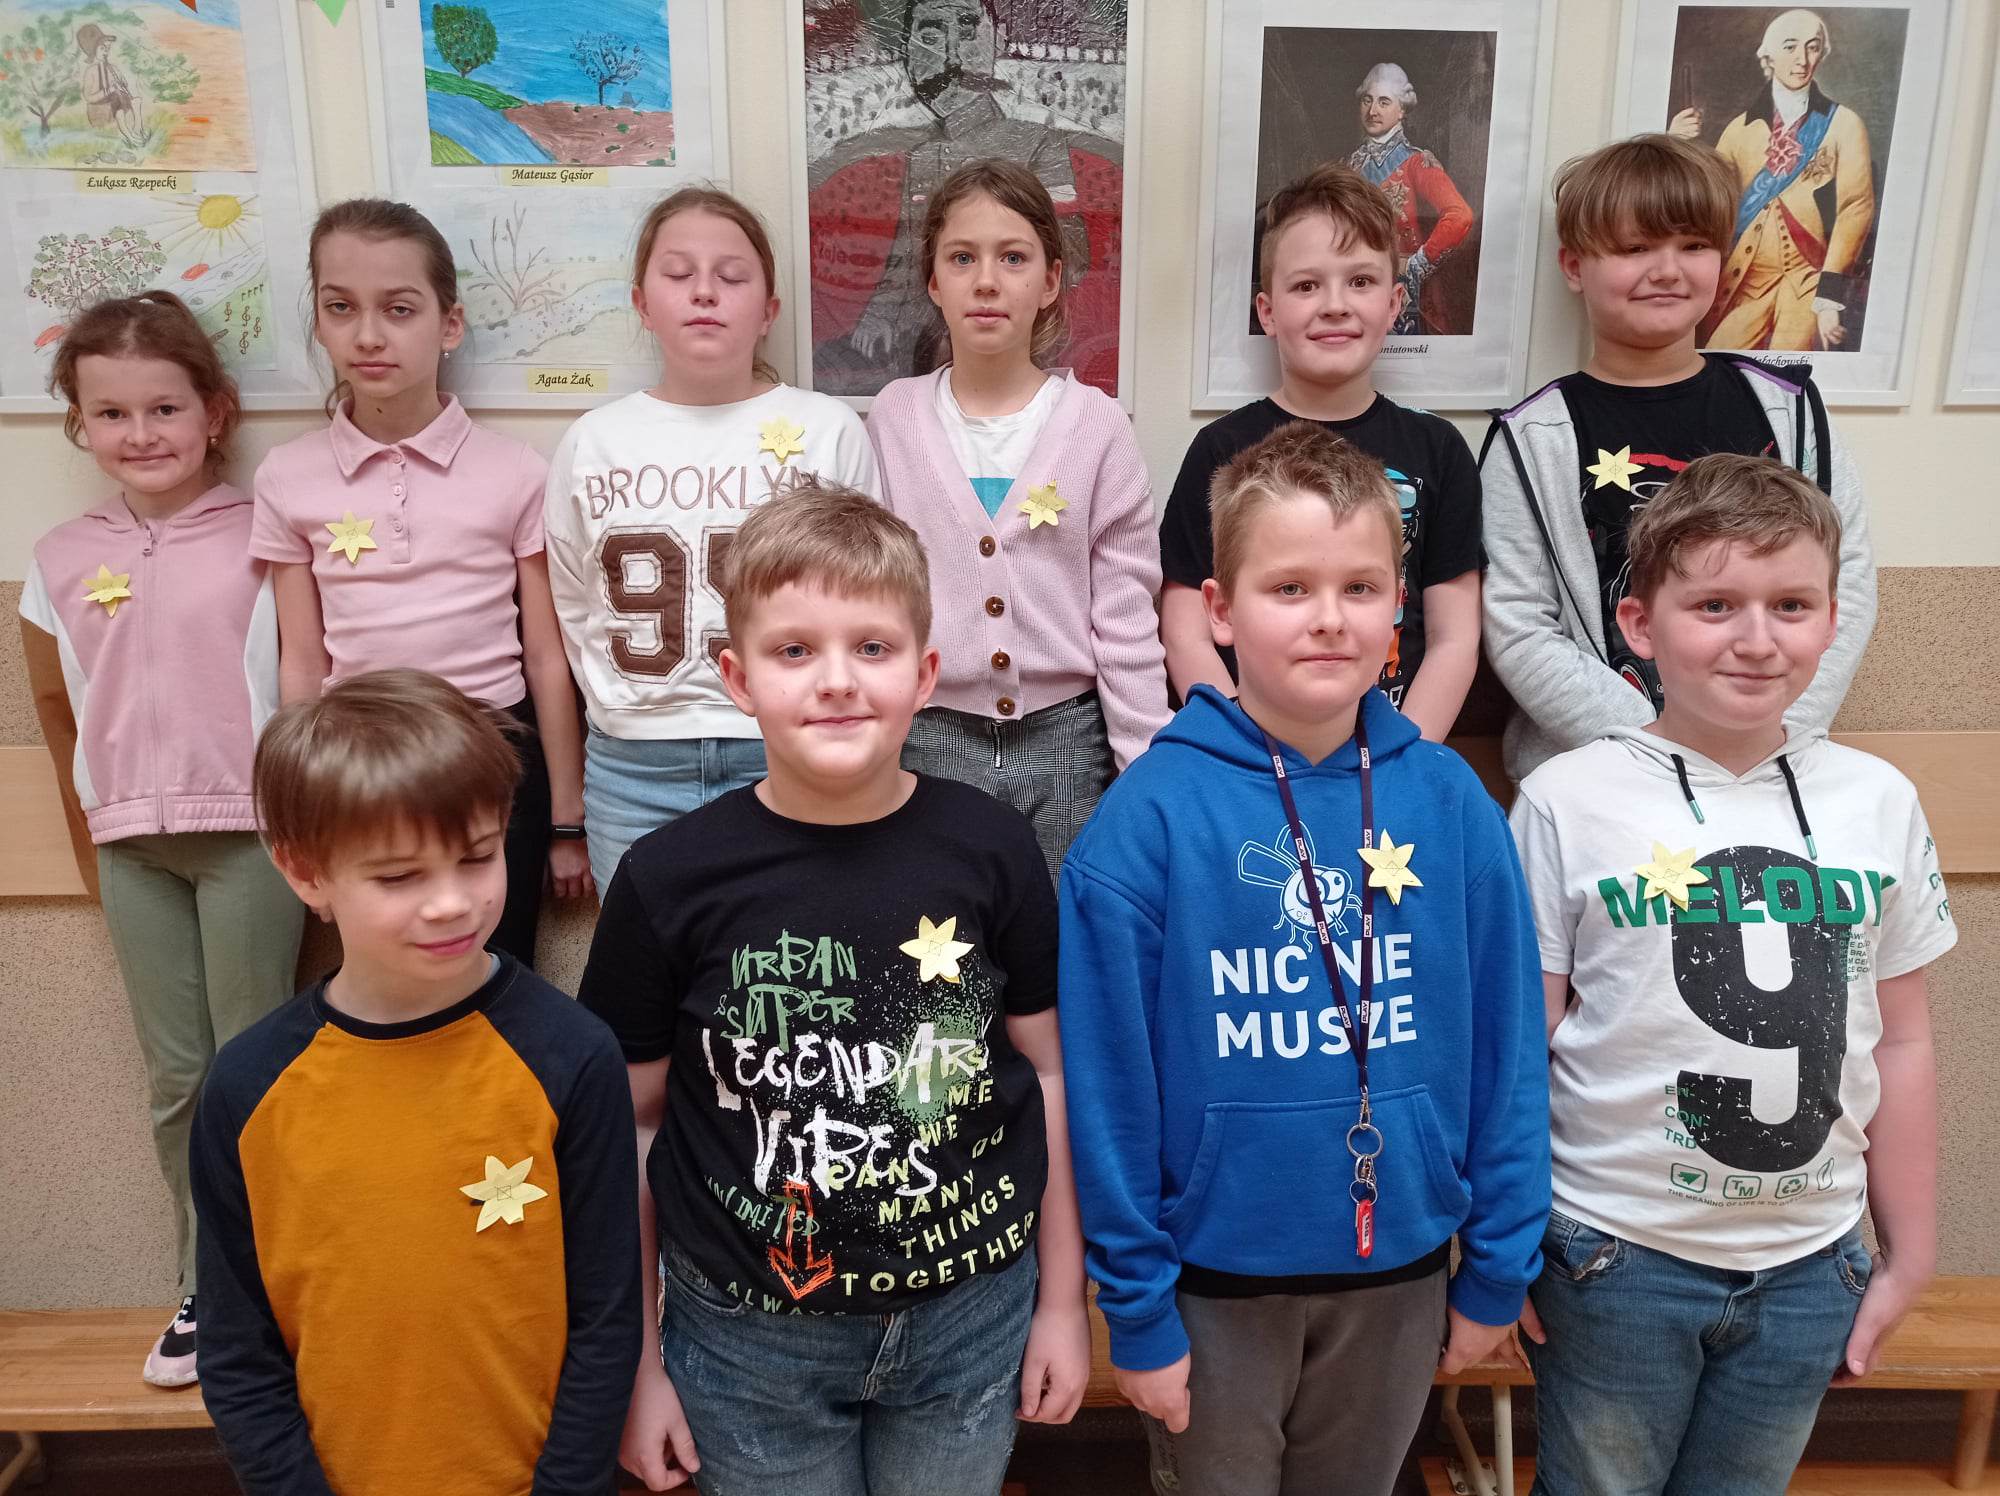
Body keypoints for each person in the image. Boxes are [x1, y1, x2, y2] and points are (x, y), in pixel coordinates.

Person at [1063, 422, 1548, 1496]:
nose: (1329, 616)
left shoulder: (1451, 805)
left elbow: (1509, 1053)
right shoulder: (1146, 819)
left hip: (1402, 1271)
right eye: (1288, 587)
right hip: (1211, 1282)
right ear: (1219, 611)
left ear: (1398, 610)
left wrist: (1497, 1266)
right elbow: (1106, 1093)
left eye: (1359, 587)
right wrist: (1133, 1308)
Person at [581, 484, 1091, 1495]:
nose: (836, 681)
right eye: (793, 650)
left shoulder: (991, 848)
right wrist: (640, 1365)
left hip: (969, 1316)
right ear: (737, 677)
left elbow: (1047, 1073)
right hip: (747, 1338)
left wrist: (1062, 1303)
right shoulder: (667, 878)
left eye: (872, 647)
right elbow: (629, 1127)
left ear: (924, 672)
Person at [1509, 454, 1954, 1496]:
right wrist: (1501, 1243)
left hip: (1813, 1263)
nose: (1756, 639)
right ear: (1638, 624)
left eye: (1789, 605)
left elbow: (1902, 1040)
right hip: (1612, 1256)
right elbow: (1519, 1048)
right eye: (1714, 605)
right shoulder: (1564, 800)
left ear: (1831, 618)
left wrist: (1911, 1250)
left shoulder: (1877, 799)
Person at [190, 669, 639, 1496]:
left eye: (477, 858)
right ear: (306, 873)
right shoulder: (247, 1087)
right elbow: (237, 1349)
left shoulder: (572, 1055)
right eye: (399, 877)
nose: (450, 904)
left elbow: (606, 1319)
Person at [20, 291, 302, 1388]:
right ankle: (204, 1283)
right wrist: (91, 847)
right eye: (111, 413)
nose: (140, 433)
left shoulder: (264, 535)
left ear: (215, 411)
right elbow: (58, 712)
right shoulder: (57, 557)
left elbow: (303, 688)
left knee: (252, 1064)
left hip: (250, 839)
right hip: (130, 846)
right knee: (176, 1077)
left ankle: (276, 1280)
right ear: (80, 425)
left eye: (164, 408)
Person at [250, 199, 588, 965]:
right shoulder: (287, 476)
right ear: (319, 322)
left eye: (399, 309)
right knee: (389, 968)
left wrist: (566, 817)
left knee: (499, 968)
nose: (369, 335)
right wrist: (299, 805)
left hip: (496, 753)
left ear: (449, 324)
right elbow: (301, 661)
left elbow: (547, 659)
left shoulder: (516, 471)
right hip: (357, 759)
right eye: (341, 307)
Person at [1480, 133, 1876, 784]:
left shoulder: (1790, 411)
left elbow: (1845, 583)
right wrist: (1663, 750)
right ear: (1575, 267)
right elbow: (1519, 626)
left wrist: (1770, 734)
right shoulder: (1533, 437)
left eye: (1693, 245)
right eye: (1635, 248)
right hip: (1600, 778)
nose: (1667, 270)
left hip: (1771, 768)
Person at [543, 187, 877, 895]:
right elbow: (574, 604)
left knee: (796, 951)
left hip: (789, 748)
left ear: (769, 311)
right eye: (678, 273)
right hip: (633, 769)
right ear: (641, 304)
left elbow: (868, 602)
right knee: (643, 955)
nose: (704, 292)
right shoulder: (592, 442)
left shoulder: (828, 431)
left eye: (731, 276)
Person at [865, 159, 1168, 877]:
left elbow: (1126, 615)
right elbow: (870, 600)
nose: (987, 281)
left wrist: (1148, 773)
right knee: (940, 927)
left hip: (1070, 741)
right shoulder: (894, 417)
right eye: (962, 258)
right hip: (928, 734)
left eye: (1013, 257)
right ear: (933, 282)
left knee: (1065, 924)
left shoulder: (1097, 426)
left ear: (1051, 280)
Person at [1163, 162, 1483, 743]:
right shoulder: (1219, 449)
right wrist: (1240, 745)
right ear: (1267, 311)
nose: (1335, 305)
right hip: (1250, 752)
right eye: (1307, 285)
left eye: (1360, 281)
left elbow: (1455, 636)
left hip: (1393, 747)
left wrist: (1403, 755)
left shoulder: (1439, 451)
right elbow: (1186, 627)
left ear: (1395, 303)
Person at [806, 0, 1125, 392]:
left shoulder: (1038, 144)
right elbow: (905, 258)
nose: (950, 53)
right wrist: (879, 316)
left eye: (968, 30)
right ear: (909, 55)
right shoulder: (922, 155)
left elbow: (1071, 254)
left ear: (997, 41)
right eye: (929, 35)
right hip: (915, 353)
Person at [1668, 9, 1875, 352]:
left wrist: (1829, 297)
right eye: (1790, 47)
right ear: (1769, 56)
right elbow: (1703, 206)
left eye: (1812, 47)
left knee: (1788, 369)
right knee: (1717, 359)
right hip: (1745, 279)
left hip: (1808, 283)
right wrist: (1674, 145)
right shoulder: (1738, 130)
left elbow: (1856, 208)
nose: (1802, 60)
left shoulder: (1844, 124)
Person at [1346, 63, 1474, 335]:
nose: (1373, 111)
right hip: (1353, 288)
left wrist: (1418, 263)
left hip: (1403, 292)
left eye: (1384, 102)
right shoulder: (1350, 165)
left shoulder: (1417, 162)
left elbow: (1460, 216)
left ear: (1401, 110)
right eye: (1367, 100)